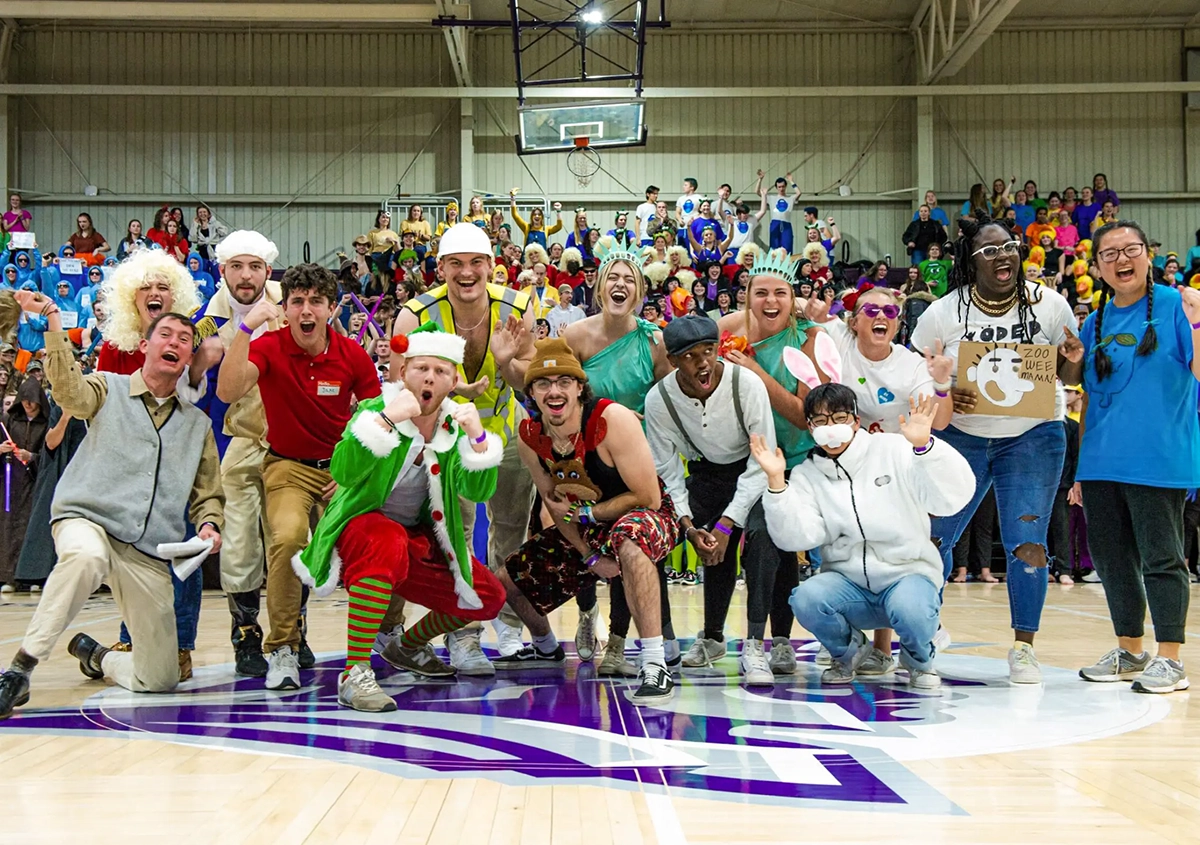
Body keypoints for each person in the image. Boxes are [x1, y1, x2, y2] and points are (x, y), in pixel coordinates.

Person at [0, 296, 223, 719]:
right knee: (85, 557)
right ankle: (19, 671)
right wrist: (51, 321)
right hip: (87, 520)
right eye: (166, 334)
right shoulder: (106, 386)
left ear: (189, 357)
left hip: (145, 550)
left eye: (185, 339)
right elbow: (68, 391)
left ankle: (98, 656)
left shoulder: (197, 425)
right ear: (145, 345)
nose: (175, 341)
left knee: (160, 678)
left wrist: (210, 525)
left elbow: (208, 493)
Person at [293, 324, 507, 710]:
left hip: (414, 537)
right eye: (421, 368)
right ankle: (355, 674)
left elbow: (478, 493)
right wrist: (386, 421)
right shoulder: (376, 409)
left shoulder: (453, 428)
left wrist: (479, 438)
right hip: (362, 530)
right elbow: (342, 471)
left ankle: (405, 646)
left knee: (488, 596)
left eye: (441, 371)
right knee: (386, 537)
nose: (430, 377)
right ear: (403, 372)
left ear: (455, 380)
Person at [910, 213, 1084, 683]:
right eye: (989, 250)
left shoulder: (1050, 305)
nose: (1002, 255)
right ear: (971, 259)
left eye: (1008, 246)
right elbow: (920, 371)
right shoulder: (943, 311)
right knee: (933, 539)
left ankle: (1024, 648)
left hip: (1033, 436)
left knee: (1026, 542)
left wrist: (1072, 363)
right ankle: (924, 632)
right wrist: (945, 386)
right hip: (960, 436)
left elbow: (1067, 379)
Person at [217, 262, 381, 690]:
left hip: (342, 469)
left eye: (315, 302)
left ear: (332, 308)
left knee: (379, 536)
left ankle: (386, 635)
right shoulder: (268, 345)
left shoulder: (353, 356)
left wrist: (352, 473)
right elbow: (227, 391)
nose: (306, 311)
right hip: (288, 466)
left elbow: (380, 421)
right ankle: (284, 647)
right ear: (284, 308)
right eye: (297, 302)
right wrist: (243, 330)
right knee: (288, 539)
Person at [496, 338, 679, 706]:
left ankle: (654, 663)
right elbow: (552, 499)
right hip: (585, 528)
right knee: (505, 580)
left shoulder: (613, 420)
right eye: (544, 384)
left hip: (646, 516)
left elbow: (649, 498)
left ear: (580, 387)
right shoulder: (531, 437)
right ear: (531, 392)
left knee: (629, 539)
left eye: (564, 382)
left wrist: (590, 516)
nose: (554, 391)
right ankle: (546, 647)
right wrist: (588, 554)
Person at [756, 385, 974, 688]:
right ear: (809, 427)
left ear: (856, 420)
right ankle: (848, 653)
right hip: (849, 586)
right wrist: (777, 483)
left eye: (839, 418)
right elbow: (797, 537)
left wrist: (925, 447)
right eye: (820, 421)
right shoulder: (808, 474)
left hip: (907, 575)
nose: (830, 428)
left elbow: (951, 499)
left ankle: (919, 659)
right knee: (806, 598)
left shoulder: (894, 449)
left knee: (911, 609)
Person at [391, 223, 537, 672]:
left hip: (508, 433)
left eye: (476, 263)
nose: (467, 272)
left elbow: (528, 384)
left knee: (512, 533)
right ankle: (463, 633)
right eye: (456, 264)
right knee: (454, 535)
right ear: (441, 268)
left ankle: (509, 623)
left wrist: (507, 359)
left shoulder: (518, 307)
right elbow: (401, 389)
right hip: (446, 437)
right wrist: (455, 397)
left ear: (492, 267)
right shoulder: (415, 314)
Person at [1075, 221, 1200, 694]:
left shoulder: (1177, 306)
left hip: (1160, 457)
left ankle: (1170, 658)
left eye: (1130, 250)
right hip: (1102, 461)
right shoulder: (1095, 322)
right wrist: (1082, 469)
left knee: (1162, 558)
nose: (1121, 260)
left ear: (1148, 255)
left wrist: (1199, 320)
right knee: (1110, 559)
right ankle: (1130, 650)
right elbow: (1087, 397)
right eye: (1110, 254)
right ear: (1099, 267)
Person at [646, 314, 797, 683]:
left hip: (758, 470)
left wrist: (728, 522)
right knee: (655, 535)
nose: (703, 362)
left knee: (766, 536)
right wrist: (688, 526)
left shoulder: (745, 383)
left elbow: (763, 458)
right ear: (673, 360)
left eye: (709, 351)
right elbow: (666, 472)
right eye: (690, 355)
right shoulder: (659, 399)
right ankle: (683, 639)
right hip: (705, 474)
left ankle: (760, 643)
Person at [561, 242, 674, 671]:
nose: (620, 284)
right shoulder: (575, 335)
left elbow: (664, 398)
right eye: (613, 277)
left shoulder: (653, 341)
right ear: (599, 286)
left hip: (633, 457)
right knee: (582, 545)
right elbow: (557, 390)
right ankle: (588, 613)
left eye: (630, 279)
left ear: (641, 292)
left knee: (631, 545)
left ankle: (619, 646)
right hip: (584, 457)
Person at [190, 230, 286, 676]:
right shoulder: (204, 322)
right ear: (222, 270)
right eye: (236, 267)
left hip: (294, 443)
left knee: (293, 543)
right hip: (237, 441)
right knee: (241, 545)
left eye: (254, 267)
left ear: (267, 271)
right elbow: (193, 394)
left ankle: (293, 630)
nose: (245, 276)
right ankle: (245, 634)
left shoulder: (294, 308)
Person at [0, 378, 50, 592]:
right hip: (12, 483)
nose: (28, 405)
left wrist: (32, 456)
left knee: (33, 528)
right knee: (10, 528)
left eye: (32, 401)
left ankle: (34, 577)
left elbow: (50, 455)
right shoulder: (11, 421)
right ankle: (10, 576)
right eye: (25, 400)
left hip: (35, 483)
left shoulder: (47, 424)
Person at [767, 173, 801, 252]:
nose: (781, 189)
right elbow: (758, 192)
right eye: (779, 187)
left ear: (785, 186)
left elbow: (798, 193)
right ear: (776, 188)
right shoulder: (771, 198)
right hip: (775, 222)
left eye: (783, 186)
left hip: (786, 223)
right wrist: (760, 179)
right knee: (774, 247)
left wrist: (791, 181)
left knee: (787, 246)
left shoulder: (790, 198)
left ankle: (788, 263)